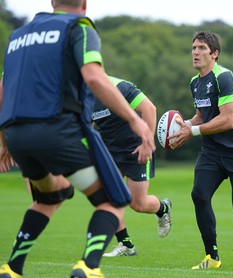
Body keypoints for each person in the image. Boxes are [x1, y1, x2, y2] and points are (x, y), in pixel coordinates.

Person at [0, 1, 155, 278]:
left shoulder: (18, 37)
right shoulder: (78, 27)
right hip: (56, 130)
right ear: (84, 4)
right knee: (114, 200)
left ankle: (12, 267)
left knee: (50, 196)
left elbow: (2, 93)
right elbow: (95, 78)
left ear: (52, 2)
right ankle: (89, 266)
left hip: (15, 133)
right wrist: (135, 120)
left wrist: (3, 142)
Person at [169, 31, 233, 269]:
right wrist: (186, 126)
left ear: (214, 54)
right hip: (212, 152)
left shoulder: (224, 78)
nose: (195, 52)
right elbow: (203, 116)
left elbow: (228, 120)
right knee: (199, 195)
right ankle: (212, 257)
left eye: (202, 48)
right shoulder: (195, 82)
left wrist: (192, 132)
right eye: (193, 47)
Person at [91, 76, 172, 257]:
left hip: (136, 148)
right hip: (110, 151)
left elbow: (149, 109)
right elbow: (85, 128)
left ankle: (163, 208)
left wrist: (146, 144)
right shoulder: (82, 96)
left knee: (138, 203)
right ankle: (125, 244)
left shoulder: (120, 87)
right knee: (108, 197)